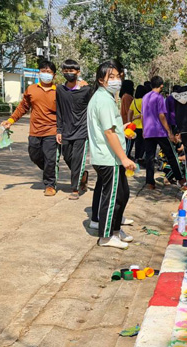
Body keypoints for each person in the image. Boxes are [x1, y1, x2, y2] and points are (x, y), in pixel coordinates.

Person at [86, 59, 136, 249]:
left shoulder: (105, 98)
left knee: (122, 194)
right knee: (113, 198)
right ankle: (106, 236)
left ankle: (115, 230)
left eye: (118, 76)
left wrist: (123, 129)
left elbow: (110, 128)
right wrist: (124, 158)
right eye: (111, 77)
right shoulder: (104, 100)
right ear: (101, 80)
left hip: (111, 157)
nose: (116, 80)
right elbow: (108, 133)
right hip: (109, 158)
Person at [1, 59, 59, 196]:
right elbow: (23, 107)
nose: (46, 74)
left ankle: (50, 185)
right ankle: (50, 170)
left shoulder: (59, 91)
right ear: (39, 73)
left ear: (54, 75)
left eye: (49, 72)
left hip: (52, 130)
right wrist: (11, 120)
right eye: (43, 71)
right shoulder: (31, 90)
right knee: (35, 156)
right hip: (35, 131)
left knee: (50, 158)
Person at [55, 59, 91, 200]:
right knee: (67, 156)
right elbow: (59, 110)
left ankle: (75, 189)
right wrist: (59, 130)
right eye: (66, 71)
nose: (68, 73)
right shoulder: (60, 90)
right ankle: (83, 175)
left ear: (78, 72)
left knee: (77, 159)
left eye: (71, 71)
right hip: (66, 130)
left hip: (82, 130)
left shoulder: (86, 90)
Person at [141, 76, 184, 190]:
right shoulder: (159, 97)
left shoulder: (145, 97)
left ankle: (150, 182)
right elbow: (162, 115)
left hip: (148, 131)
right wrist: (169, 131)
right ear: (161, 85)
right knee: (171, 155)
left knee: (150, 157)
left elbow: (142, 115)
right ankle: (180, 178)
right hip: (159, 131)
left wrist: (144, 129)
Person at [127, 85, 146, 163]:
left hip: (134, 125)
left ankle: (136, 157)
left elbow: (129, 112)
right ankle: (139, 157)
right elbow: (144, 114)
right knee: (142, 143)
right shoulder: (144, 101)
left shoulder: (134, 101)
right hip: (142, 125)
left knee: (136, 143)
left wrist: (129, 122)